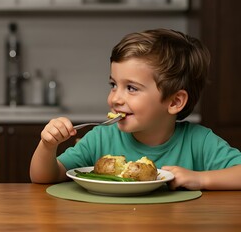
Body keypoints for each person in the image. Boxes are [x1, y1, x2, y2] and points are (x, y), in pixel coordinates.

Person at [30, 28, 241, 190]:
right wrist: (48, 146)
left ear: (175, 102)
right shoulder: (101, 137)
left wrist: (201, 179)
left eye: (131, 88)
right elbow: (43, 177)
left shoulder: (199, 142)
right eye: (113, 85)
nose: (115, 98)